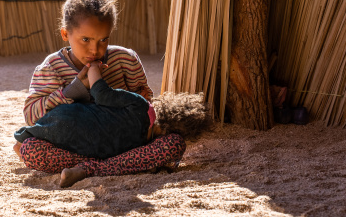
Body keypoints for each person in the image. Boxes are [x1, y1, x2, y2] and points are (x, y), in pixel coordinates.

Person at [14, 0, 198, 187]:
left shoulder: (126, 60)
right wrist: (73, 90)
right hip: (75, 148)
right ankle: (107, 166)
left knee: (174, 144)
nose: (95, 50)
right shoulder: (50, 68)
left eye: (103, 39)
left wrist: (133, 100)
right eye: (86, 40)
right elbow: (32, 116)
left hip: (123, 145)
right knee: (30, 149)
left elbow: (145, 102)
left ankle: (89, 168)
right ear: (65, 34)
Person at [14, 60, 212, 187]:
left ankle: (83, 167)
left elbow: (101, 94)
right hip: (73, 126)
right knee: (30, 145)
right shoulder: (144, 116)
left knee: (29, 147)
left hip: (65, 121)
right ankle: (90, 168)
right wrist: (92, 68)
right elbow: (100, 93)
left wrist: (93, 69)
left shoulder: (140, 106)